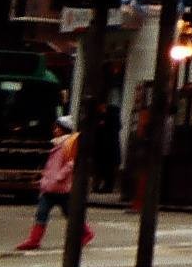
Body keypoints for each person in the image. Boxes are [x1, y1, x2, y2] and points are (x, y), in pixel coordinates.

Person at [17, 118, 89, 251]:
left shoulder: (68, 144)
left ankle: (85, 233)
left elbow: (70, 163)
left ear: (64, 129)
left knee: (69, 212)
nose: (55, 130)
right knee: (42, 212)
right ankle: (34, 240)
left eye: (58, 128)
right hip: (51, 186)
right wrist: (45, 180)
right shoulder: (58, 144)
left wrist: (58, 177)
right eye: (55, 128)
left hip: (60, 187)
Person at [87, 101, 121, 198]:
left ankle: (105, 186)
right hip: (103, 149)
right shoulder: (104, 118)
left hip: (107, 150)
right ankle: (100, 185)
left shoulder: (110, 118)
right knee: (102, 169)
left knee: (106, 169)